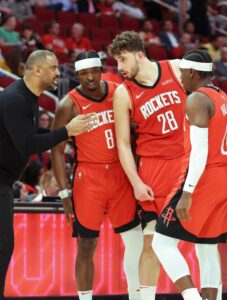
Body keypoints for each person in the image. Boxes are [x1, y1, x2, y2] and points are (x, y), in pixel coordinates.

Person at [0, 49, 96, 300]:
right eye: (53, 68)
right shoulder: (15, 99)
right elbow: (27, 145)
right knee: (2, 246)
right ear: (36, 70)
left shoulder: (29, 97)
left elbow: (32, 138)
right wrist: (66, 131)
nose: (58, 73)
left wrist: (68, 133)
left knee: (3, 247)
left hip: (5, 182)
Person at [51, 50, 143, 300]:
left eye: (94, 71)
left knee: (135, 242)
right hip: (88, 179)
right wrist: (63, 194)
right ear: (77, 75)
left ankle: (137, 296)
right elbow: (56, 152)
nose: (90, 77)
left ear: (101, 70)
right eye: (83, 73)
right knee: (86, 246)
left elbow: (137, 133)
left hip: (121, 175)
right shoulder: (68, 104)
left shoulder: (120, 91)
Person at [108, 31, 187, 300]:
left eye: (123, 59)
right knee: (151, 241)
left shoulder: (176, 68)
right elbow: (122, 144)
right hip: (153, 170)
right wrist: (137, 182)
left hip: (185, 164)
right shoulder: (123, 92)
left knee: (201, 241)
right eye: (117, 61)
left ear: (140, 55)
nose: (119, 67)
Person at [152, 49, 227, 300]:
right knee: (207, 248)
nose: (180, 78)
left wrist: (187, 193)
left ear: (190, 72)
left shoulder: (197, 99)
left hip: (204, 177)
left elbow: (200, 151)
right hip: (225, 175)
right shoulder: (224, 97)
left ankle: (192, 298)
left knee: (161, 242)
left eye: (181, 74)